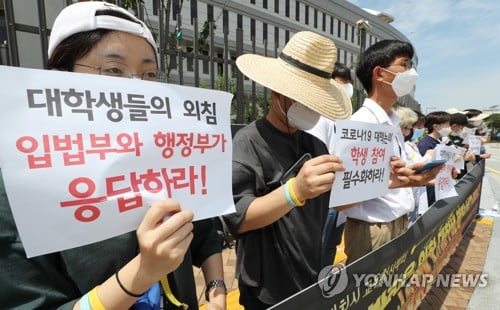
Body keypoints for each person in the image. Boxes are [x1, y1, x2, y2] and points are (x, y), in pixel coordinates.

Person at [0, 2, 226, 309]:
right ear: (60, 75)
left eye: (148, 74)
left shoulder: (164, 157)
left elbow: (203, 229)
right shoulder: (16, 185)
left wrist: (216, 289)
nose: (135, 89)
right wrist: (143, 273)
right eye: (113, 70)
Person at [223, 31, 351, 309]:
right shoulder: (249, 140)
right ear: (277, 92)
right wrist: (294, 191)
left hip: (309, 271)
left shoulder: (315, 144)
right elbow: (238, 219)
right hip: (266, 282)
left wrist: (388, 181)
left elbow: (337, 203)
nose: (310, 107)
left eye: (315, 99)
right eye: (302, 97)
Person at [342, 40, 439, 264]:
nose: (411, 72)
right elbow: (345, 197)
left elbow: (391, 175)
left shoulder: (393, 122)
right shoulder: (361, 124)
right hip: (373, 229)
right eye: (404, 65)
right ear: (380, 74)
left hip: (398, 221)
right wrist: (394, 181)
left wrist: (414, 176)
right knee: (368, 293)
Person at [306, 62, 352, 266]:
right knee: (319, 245)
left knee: (331, 243)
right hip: (325, 195)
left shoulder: (342, 118)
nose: (345, 89)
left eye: (347, 84)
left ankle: (323, 282)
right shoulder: (318, 118)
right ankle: (314, 287)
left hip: (339, 193)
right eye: (341, 83)